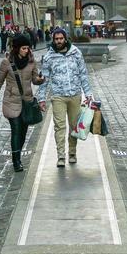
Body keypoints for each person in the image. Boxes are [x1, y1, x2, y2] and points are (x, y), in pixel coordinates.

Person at [37, 26, 92, 168]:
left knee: (74, 126)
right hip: (58, 96)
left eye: (61, 38)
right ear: (53, 40)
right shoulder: (49, 57)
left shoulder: (75, 53)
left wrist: (88, 94)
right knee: (59, 127)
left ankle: (72, 153)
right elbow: (44, 79)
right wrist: (41, 98)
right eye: (56, 39)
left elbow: (83, 74)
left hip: (75, 95)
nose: (59, 41)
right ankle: (60, 155)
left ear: (65, 38)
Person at [0, 33, 42, 172]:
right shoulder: (6, 63)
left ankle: (17, 153)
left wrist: (40, 79)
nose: (27, 50)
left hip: (26, 101)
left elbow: (35, 79)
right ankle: (16, 161)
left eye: (28, 48)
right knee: (16, 130)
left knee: (23, 132)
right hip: (11, 101)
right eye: (24, 48)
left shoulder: (31, 61)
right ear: (17, 48)